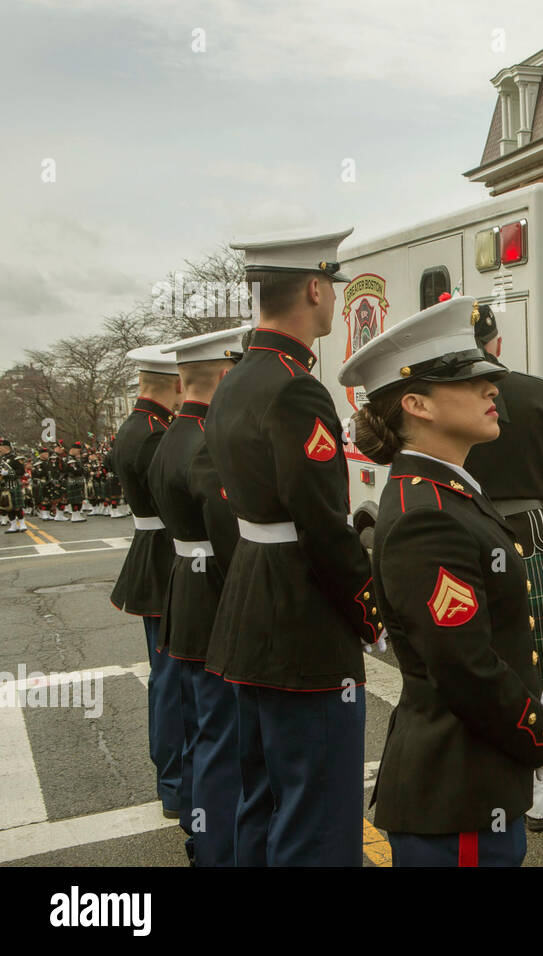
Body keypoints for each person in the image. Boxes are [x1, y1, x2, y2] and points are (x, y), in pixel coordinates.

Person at [338, 294, 543, 867]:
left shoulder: (445, 490)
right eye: (471, 382)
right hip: (457, 794)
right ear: (417, 404)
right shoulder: (427, 514)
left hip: (471, 782)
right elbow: (465, 667)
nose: (493, 389)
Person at [204, 229, 382, 867]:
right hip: (300, 624)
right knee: (318, 812)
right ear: (314, 287)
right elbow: (323, 523)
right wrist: (370, 611)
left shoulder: (234, 381)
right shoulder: (296, 387)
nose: (333, 298)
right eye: (331, 285)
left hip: (250, 607)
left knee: (261, 799)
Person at [463, 301, 543, 831]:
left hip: (465, 537)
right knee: (534, 670)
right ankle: (539, 785)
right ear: (497, 342)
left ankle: (488, 775)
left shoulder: (444, 398)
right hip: (531, 541)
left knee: (474, 663)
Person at [148, 326, 247, 865]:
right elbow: (228, 530)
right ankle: (214, 844)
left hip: (184, 582)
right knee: (221, 729)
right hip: (211, 589)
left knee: (198, 720)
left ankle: (195, 816)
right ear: (226, 376)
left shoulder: (169, 435)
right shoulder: (208, 439)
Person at [110, 345, 185, 819]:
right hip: (164, 559)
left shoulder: (134, 426)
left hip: (151, 554)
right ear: (176, 384)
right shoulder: (157, 433)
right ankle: (175, 785)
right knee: (172, 681)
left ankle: (173, 782)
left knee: (166, 677)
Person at [0, 438, 27, 534]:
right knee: (7, 506)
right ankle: (13, 525)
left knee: (17, 506)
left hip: (14, 485)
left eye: (0, 447)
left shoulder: (15, 458)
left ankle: (22, 524)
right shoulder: (1, 459)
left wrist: (9, 473)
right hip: (3, 486)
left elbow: (21, 471)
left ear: (5, 447)